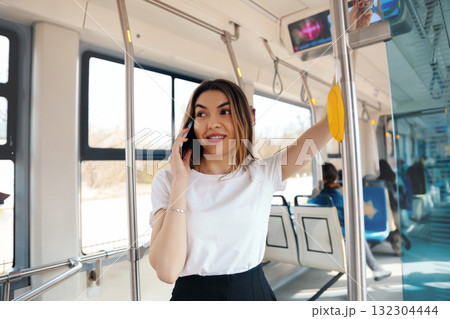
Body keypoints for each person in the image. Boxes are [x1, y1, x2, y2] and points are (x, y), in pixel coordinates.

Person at [148, 3, 373, 301]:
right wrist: (180, 181)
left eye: (224, 112)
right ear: (190, 125)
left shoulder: (264, 172)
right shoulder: (167, 182)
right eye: (201, 114)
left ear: (245, 118)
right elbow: (167, 271)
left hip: (252, 292)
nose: (212, 122)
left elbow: (333, 120)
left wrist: (349, 38)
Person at [310, 163, 392, 281]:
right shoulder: (337, 197)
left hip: (315, 243)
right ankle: (375, 269)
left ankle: (375, 269)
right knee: (357, 234)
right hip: (336, 242)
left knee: (354, 234)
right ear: (336, 177)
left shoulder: (314, 197)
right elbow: (351, 217)